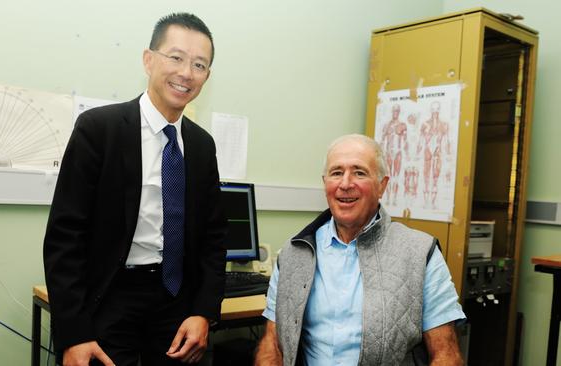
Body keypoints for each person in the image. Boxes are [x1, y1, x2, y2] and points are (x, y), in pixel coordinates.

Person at [43, 13, 227, 366]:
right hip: (109, 296)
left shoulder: (202, 147)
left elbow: (213, 239)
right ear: (148, 60)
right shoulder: (99, 130)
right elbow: (64, 238)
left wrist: (204, 312)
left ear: (207, 75)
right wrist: (74, 333)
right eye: (176, 57)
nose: (186, 73)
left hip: (176, 300)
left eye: (199, 64)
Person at [254, 134, 465, 366]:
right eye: (336, 173)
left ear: (382, 185)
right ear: (325, 182)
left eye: (359, 172)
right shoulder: (294, 254)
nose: (345, 184)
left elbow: (446, 355)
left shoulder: (421, 254)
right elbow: (271, 344)